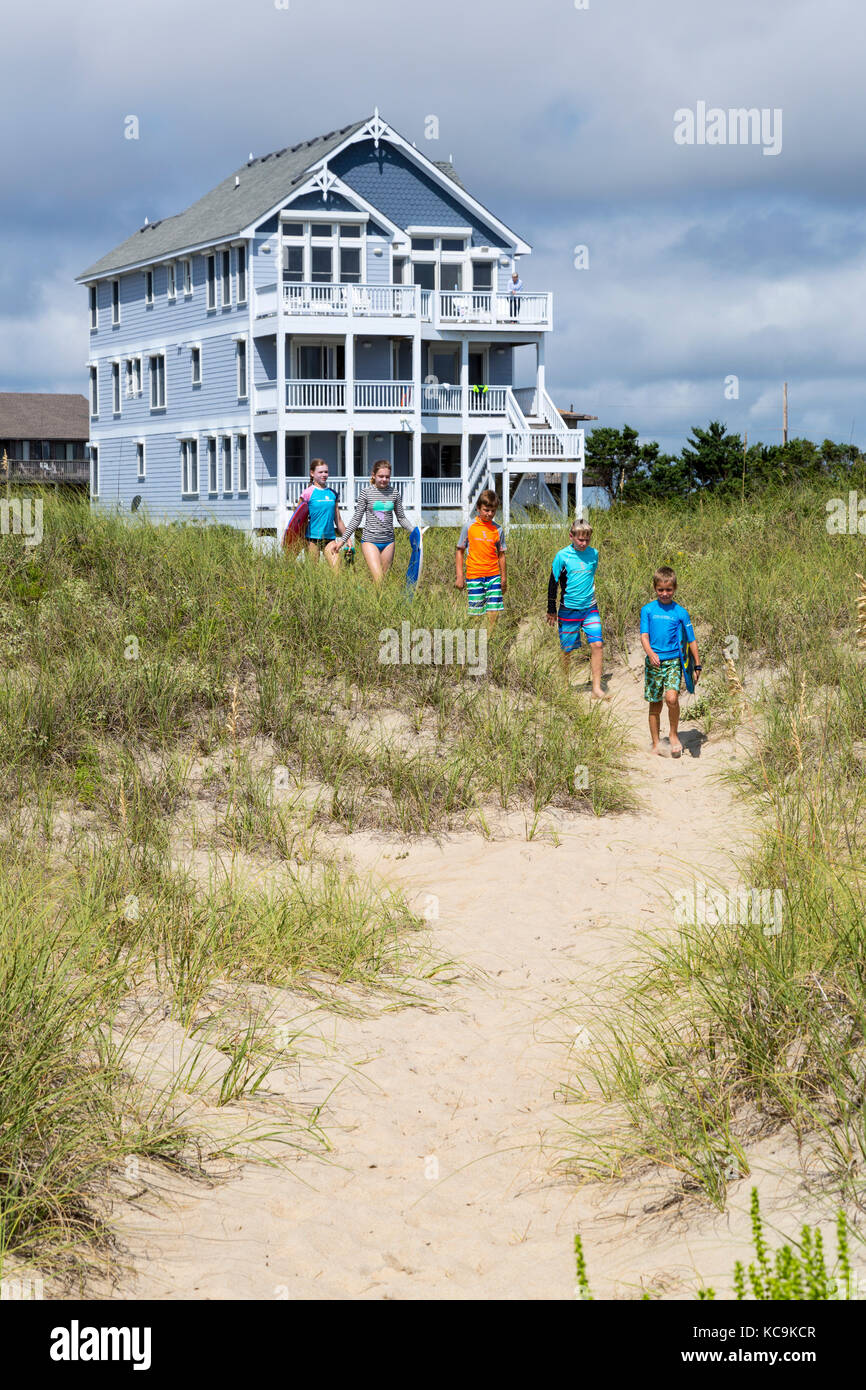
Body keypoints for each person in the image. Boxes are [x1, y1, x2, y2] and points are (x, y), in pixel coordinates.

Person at [639, 565, 702, 758]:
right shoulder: (648, 610)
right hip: (654, 663)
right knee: (655, 705)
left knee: (672, 698)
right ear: (655, 588)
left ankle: (673, 735)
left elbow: (691, 640)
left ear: (674, 588)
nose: (665, 593)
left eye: (668, 590)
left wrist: (697, 665)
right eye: (660, 590)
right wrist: (650, 653)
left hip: (674, 661)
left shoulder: (680, 612)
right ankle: (657, 743)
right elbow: (644, 636)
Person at [546, 518, 607, 698]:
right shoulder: (562, 556)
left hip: (590, 608)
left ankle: (596, 688)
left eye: (587, 539)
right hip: (569, 609)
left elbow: (591, 575)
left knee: (597, 644)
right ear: (571, 536)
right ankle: (564, 685)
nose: (583, 543)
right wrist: (551, 609)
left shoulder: (593, 554)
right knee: (567, 649)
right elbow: (553, 582)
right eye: (580, 539)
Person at [335, 459, 413, 582]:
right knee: (378, 578)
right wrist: (342, 540)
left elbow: (401, 518)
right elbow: (356, 518)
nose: (384, 479)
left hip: (388, 542)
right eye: (381, 476)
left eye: (387, 477)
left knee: (384, 580)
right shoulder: (366, 493)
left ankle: (377, 600)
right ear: (373, 475)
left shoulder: (394, 493)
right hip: (370, 541)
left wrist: (414, 531)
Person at [455, 488, 507, 627]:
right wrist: (460, 576)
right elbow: (459, 551)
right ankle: (477, 641)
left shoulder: (498, 529)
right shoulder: (469, 527)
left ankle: (490, 640)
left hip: (493, 576)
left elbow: (501, 555)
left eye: (493, 511)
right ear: (478, 508)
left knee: (493, 613)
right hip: (475, 576)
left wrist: (503, 578)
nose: (489, 514)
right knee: (476, 614)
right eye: (486, 510)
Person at [303, 459, 347, 568]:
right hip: (311, 538)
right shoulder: (307, 493)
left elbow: (338, 520)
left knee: (337, 571)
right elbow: (298, 518)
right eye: (320, 472)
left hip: (329, 538)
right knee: (312, 573)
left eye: (326, 472)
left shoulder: (332, 494)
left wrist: (347, 539)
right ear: (312, 473)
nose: (324, 475)